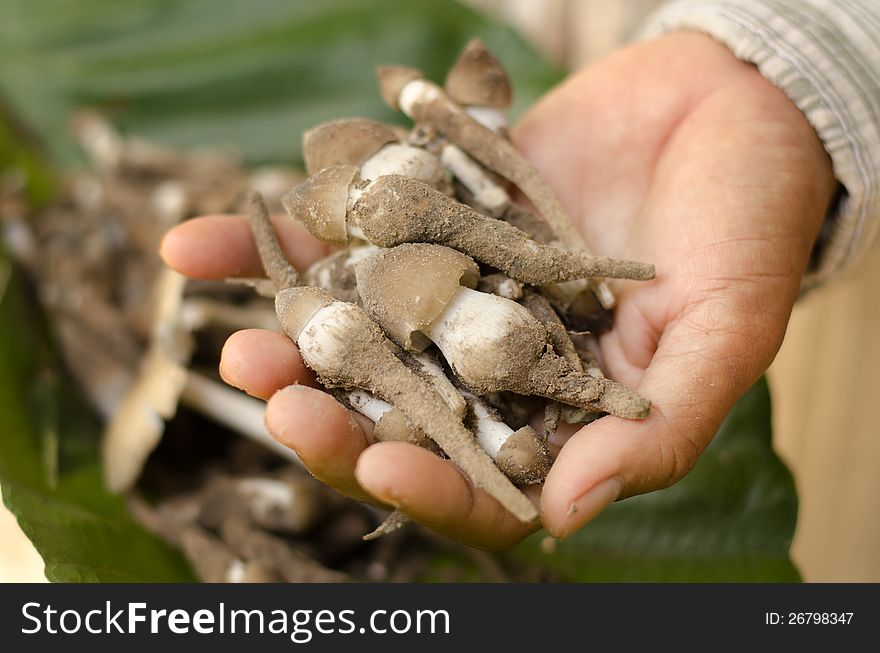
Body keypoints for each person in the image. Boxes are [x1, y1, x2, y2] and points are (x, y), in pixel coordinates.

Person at [160, 0, 879, 550]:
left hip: (843, 369)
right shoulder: (396, 257)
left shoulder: (435, 210)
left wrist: (797, 62)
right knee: (457, 382)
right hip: (458, 309)